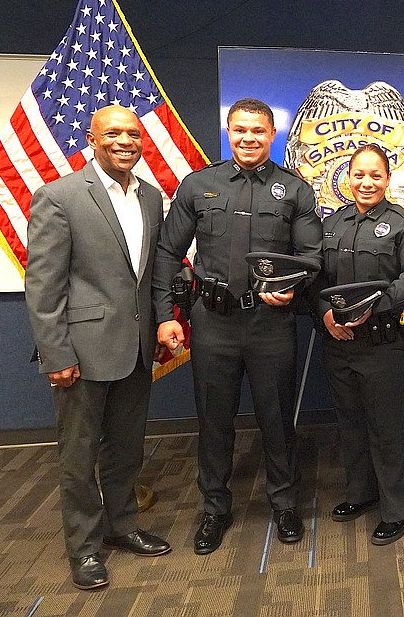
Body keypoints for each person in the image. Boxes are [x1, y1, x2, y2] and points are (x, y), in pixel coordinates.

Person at [154, 98, 323, 554]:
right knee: (214, 420)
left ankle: (284, 503)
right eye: (240, 130)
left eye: (258, 131)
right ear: (229, 133)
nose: (249, 138)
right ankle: (214, 509)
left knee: (276, 418)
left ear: (273, 135)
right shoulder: (199, 185)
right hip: (213, 322)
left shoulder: (294, 190)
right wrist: (166, 314)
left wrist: (291, 288)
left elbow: (311, 259)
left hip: (270, 321)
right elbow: (169, 253)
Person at [25, 105, 171, 590]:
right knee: (78, 456)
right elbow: (43, 286)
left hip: (135, 347)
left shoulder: (151, 198)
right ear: (92, 138)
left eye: (133, 133)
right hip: (81, 354)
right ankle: (85, 549)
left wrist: (163, 323)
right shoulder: (59, 196)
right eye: (113, 133)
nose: (125, 140)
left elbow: (146, 276)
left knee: (126, 449)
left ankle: (122, 525)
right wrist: (56, 354)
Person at [315, 144, 404, 546]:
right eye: (359, 175)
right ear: (347, 178)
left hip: (387, 344)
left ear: (388, 179)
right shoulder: (331, 224)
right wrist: (324, 312)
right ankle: (360, 494)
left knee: (388, 429)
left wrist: (374, 307)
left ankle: (396, 509)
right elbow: (317, 278)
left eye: (375, 175)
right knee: (351, 424)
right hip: (340, 343)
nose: (366, 182)